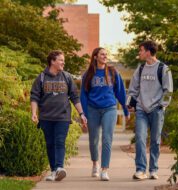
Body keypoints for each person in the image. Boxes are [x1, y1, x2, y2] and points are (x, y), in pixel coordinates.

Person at [30, 50, 87, 181]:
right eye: (61, 60)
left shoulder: (67, 77)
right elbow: (34, 97)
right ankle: (53, 171)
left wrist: (82, 113)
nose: (63, 62)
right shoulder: (41, 77)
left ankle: (60, 167)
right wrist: (34, 113)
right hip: (46, 117)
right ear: (52, 61)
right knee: (50, 144)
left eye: (63, 60)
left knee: (60, 141)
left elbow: (74, 97)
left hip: (63, 117)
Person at [80, 47, 129, 181]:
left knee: (107, 138)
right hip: (92, 109)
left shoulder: (113, 72)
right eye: (102, 54)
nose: (105, 56)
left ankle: (104, 169)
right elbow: (83, 95)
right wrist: (83, 114)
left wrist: (125, 109)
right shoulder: (88, 74)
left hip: (109, 108)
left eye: (106, 54)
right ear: (95, 57)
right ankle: (95, 163)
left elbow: (121, 93)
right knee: (93, 139)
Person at [127, 41, 173, 180]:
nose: (139, 53)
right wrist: (130, 104)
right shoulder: (140, 69)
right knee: (140, 138)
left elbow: (168, 90)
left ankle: (153, 169)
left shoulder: (163, 68)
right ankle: (141, 169)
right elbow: (133, 89)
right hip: (141, 109)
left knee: (155, 140)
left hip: (156, 110)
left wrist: (162, 105)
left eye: (141, 50)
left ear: (148, 52)